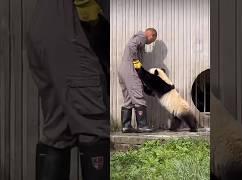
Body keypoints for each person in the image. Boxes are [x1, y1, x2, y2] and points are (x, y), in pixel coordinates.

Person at [26, 0, 109, 179]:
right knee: (93, 127)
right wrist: (95, 22)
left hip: (45, 24)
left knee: (59, 128)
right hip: (72, 26)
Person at [118, 28, 157, 133]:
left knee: (128, 99)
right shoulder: (142, 37)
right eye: (151, 41)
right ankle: (142, 126)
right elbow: (131, 46)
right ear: (151, 35)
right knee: (138, 95)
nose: (149, 43)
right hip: (130, 69)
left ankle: (126, 126)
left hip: (123, 70)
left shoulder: (137, 37)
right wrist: (135, 61)